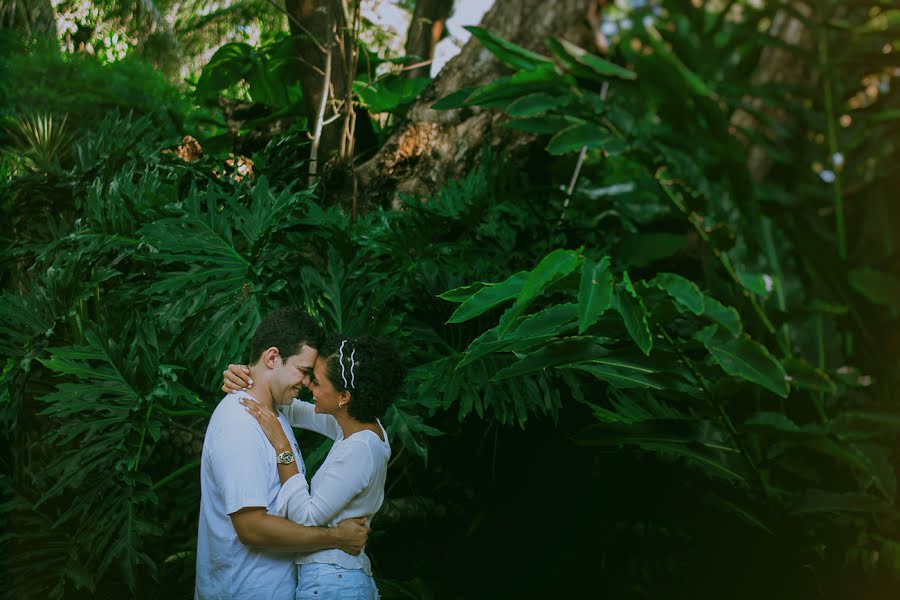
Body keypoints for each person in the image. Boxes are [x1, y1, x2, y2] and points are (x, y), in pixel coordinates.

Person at [196, 308, 369, 600]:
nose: (306, 383)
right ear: (272, 357)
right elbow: (252, 528)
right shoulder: (240, 423)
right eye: (303, 372)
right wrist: (335, 538)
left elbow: (353, 419)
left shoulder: (275, 413)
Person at [222, 336, 405, 600]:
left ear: (344, 397)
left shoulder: (360, 450)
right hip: (336, 580)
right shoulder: (356, 427)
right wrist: (248, 378)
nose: (308, 385)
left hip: (332, 584)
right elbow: (293, 409)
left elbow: (305, 516)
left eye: (316, 381)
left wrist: (282, 447)